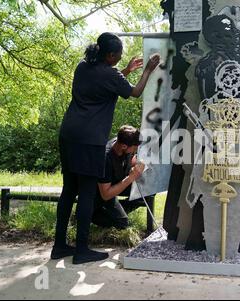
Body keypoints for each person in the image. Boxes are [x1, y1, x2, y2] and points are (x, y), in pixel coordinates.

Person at [51, 32, 160, 264]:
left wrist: (127, 71)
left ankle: (59, 246)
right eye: (118, 57)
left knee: (69, 190)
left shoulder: (84, 66)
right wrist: (148, 70)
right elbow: (134, 92)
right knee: (88, 193)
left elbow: (107, 81)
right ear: (110, 55)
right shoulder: (109, 73)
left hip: (68, 134)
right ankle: (81, 250)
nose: (120, 60)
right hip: (90, 140)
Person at [91, 126, 145, 230]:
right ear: (124, 146)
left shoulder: (123, 144)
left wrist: (136, 164)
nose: (135, 150)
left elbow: (128, 161)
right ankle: (90, 215)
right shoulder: (106, 158)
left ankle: (118, 211)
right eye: (134, 148)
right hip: (101, 193)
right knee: (121, 222)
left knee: (147, 190)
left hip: (118, 182)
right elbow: (105, 195)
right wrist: (131, 177)